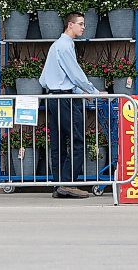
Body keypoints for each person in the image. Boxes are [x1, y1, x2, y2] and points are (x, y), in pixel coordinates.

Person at [39, 12, 100, 199]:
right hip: (64, 100)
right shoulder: (65, 46)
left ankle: (59, 184)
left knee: (58, 143)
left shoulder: (56, 46)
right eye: (80, 24)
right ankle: (68, 183)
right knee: (77, 140)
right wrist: (93, 92)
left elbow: (45, 79)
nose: (83, 27)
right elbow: (75, 75)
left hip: (54, 98)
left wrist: (81, 93)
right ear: (70, 25)